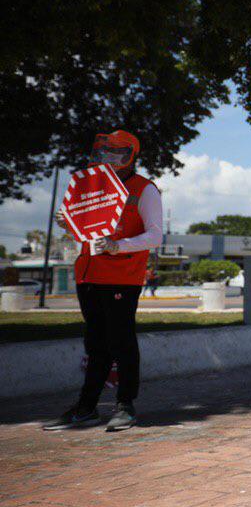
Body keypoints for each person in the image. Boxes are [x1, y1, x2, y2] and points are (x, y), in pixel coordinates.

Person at [44, 131, 163, 432]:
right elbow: (84, 233)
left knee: (121, 341)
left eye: (116, 153)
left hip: (121, 277)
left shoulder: (144, 189)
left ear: (130, 155)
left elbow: (155, 235)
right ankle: (86, 408)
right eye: (104, 153)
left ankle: (126, 405)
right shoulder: (91, 187)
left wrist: (117, 246)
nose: (109, 159)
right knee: (95, 344)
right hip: (89, 274)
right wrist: (68, 223)